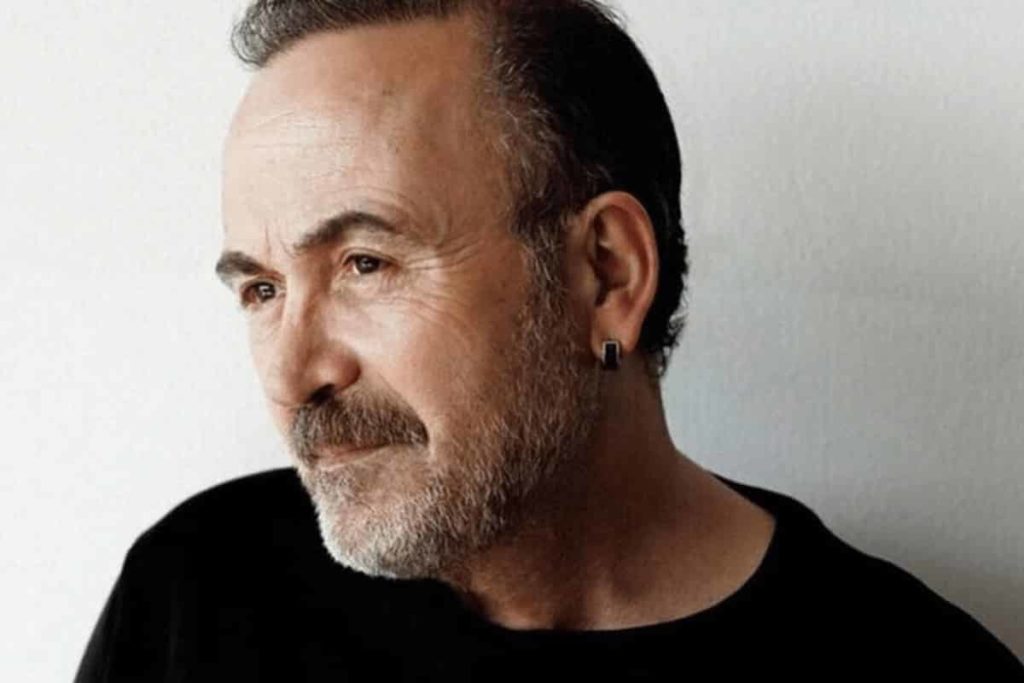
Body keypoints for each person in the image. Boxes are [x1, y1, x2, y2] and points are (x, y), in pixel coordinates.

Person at [75, 0, 1023, 679]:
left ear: (605, 274)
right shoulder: (199, 589)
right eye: (261, 288)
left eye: (366, 263)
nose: (293, 374)